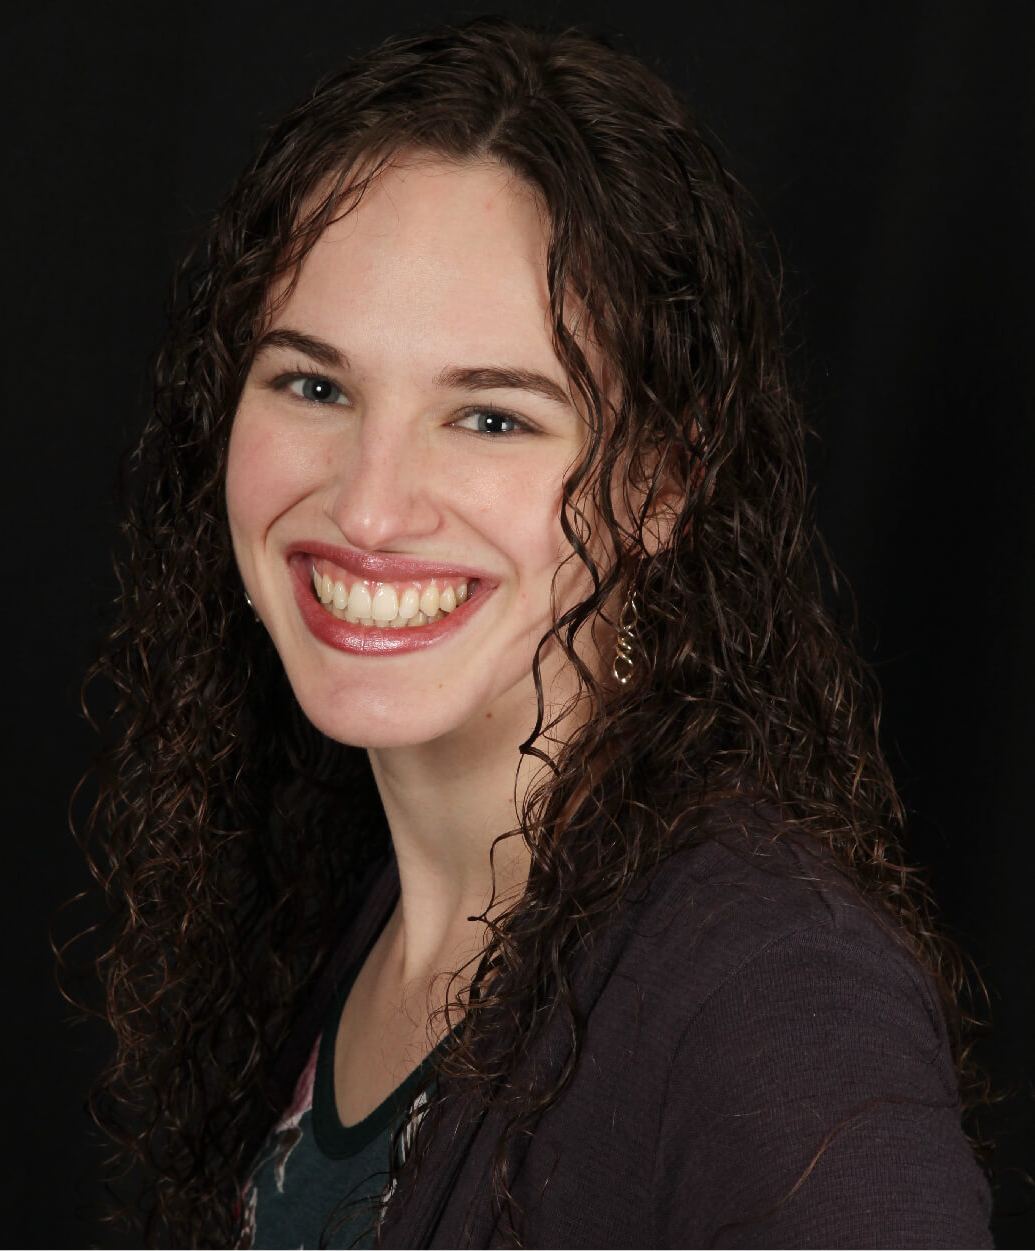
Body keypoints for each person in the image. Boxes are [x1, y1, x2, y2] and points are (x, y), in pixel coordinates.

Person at [80, 17, 992, 1248]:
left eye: (493, 419)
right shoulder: (367, 916)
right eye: (313, 385)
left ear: (662, 484)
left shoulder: (771, 1003)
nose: (366, 504)